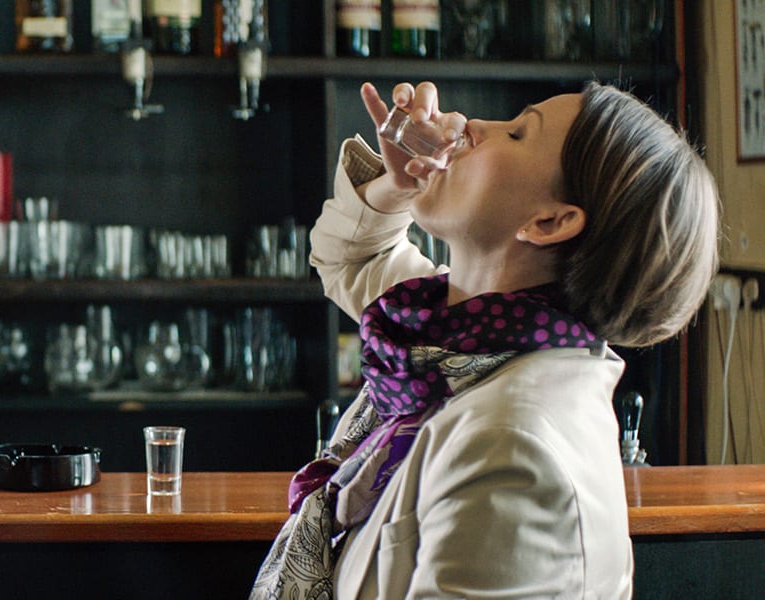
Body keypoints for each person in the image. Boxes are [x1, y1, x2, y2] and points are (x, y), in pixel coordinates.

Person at [252, 80, 719, 598]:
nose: (472, 125)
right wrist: (401, 185)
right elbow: (352, 257)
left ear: (549, 221)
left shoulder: (515, 451)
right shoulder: (459, 334)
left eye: (517, 133)